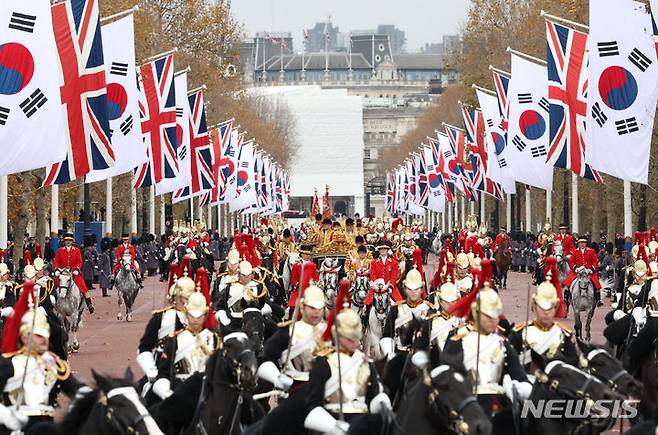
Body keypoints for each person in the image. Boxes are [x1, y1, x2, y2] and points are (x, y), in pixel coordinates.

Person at [442, 282, 531, 431]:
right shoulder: (458, 341)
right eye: (488, 316)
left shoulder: (503, 344)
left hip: (496, 406)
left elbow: (520, 377)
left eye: (496, 315)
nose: (493, 320)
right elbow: (445, 377)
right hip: (465, 404)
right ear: (476, 313)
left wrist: (518, 388)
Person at [1, 282, 86, 432]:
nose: (45, 339)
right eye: (39, 336)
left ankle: (88, 299)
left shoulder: (53, 364)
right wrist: (6, 415)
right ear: (25, 337)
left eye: (45, 335)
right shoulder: (8, 363)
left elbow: (76, 389)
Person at [302, 309, 390, 434]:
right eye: (349, 338)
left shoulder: (365, 362)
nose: (355, 342)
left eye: (356, 338)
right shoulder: (323, 364)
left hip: (363, 424)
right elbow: (313, 405)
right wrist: (333, 427)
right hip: (333, 423)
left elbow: (374, 393)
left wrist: (382, 401)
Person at [259, 285, 328, 395]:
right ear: (302, 307)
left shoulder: (331, 333)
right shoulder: (288, 331)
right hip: (294, 388)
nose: (316, 312)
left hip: (324, 390)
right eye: (312, 308)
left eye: (320, 309)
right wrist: (277, 378)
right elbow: (267, 356)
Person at [136, 265, 195, 384]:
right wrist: (151, 370)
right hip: (162, 369)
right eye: (185, 298)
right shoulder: (160, 318)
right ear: (176, 297)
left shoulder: (199, 318)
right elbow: (144, 347)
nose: (188, 301)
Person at [509, 274, 577, 371]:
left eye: (550, 307)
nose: (546, 312)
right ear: (534, 307)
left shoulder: (564, 335)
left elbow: (572, 367)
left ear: (556, 308)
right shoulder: (519, 334)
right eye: (542, 307)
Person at [53, 233, 94, 313]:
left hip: (74, 273)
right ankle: (52, 304)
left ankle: (89, 304)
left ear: (72, 242)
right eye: (67, 240)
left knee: (83, 287)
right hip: (62, 273)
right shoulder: (60, 250)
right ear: (64, 241)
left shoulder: (77, 250)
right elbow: (56, 261)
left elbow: (79, 261)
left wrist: (77, 269)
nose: (68, 242)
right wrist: (57, 269)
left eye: (70, 240)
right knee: (54, 286)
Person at [565, 237, 602, 306]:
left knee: (596, 283)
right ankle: (566, 298)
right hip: (577, 271)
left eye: (584, 243)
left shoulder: (591, 251)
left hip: (589, 271)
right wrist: (575, 268)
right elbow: (571, 262)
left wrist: (591, 269)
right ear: (578, 244)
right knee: (568, 282)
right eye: (581, 243)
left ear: (586, 244)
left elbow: (595, 261)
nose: (582, 244)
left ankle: (598, 300)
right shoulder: (574, 252)